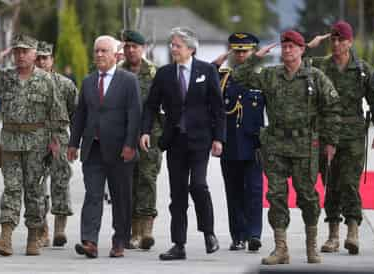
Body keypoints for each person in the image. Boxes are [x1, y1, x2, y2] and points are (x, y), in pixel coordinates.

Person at [232, 30, 341, 264]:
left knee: (308, 197)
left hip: (305, 145)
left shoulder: (315, 77)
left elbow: (332, 108)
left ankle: (312, 247)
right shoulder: (271, 75)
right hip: (276, 145)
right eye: (284, 46)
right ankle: (281, 249)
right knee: (276, 196)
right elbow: (239, 77)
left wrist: (330, 141)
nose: (287, 49)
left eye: (292, 46)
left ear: (302, 49)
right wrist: (256, 57)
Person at [140, 27, 225, 260]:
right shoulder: (164, 73)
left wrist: (219, 138)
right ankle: (178, 244)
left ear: (190, 48)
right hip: (175, 140)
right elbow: (151, 105)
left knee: (198, 185)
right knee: (177, 195)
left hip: (200, 140)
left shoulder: (207, 71)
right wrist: (145, 131)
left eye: (177, 45)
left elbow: (218, 108)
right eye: (172, 45)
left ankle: (208, 233)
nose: (172, 49)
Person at [307, 20, 374, 255]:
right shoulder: (321, 66)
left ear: (350, 42)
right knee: (330, 183)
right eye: (333, 39)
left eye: (341, 39)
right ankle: (333, 235)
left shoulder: (362, 69)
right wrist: (310, 46)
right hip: (326, 134)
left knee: (349, 183)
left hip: (352, 135)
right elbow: (294, 65)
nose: (336, 43)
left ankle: (352, 231)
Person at [0, 34, 64, 256]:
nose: (20, 55)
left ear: (34, 54)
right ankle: (5, 238)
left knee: (34, 192)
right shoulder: (4, 78)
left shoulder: (46, 80)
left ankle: (33, 238)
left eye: (25, 51)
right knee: (11, 190)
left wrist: (56, 141)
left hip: (36, 145)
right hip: (10, 143)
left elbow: (58, 113)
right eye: (16, 51)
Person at [68, 35, 141, 259]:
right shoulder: (88, 81)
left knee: (121, 196)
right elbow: (81, 114)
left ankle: (119, 240)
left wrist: (130, 144)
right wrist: (73, 143)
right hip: (93, 148)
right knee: (93, 194)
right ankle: (90, 241)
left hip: (120, 149)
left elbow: (135, 114)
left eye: (104, 51)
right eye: (96, 51)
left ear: (115, 55)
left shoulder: (128, 80)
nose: (99, 54)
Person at [212, 32, 264, 252]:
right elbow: (201, 81)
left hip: (254, 144)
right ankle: (238, 235)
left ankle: (254, 234)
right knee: (233, 192)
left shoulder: (262, 77)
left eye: (245, 51)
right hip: (230, 143)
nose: (241, 55)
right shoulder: (223, 76)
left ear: (253, 52)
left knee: (254, 190)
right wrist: (217, 63)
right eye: (237, 51)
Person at [120, 30, 162, 250]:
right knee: (129, 183)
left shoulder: (155, 73)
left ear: (142, 48)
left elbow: (164, 107)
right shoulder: (118, 73)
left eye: (134, 46)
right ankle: (133, 231)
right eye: (127, 46)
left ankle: (146, 231)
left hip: (150, 137)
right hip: (125, 137)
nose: (130, 50)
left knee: (147, 180)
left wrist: (162, 135)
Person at [35, 41, 78, 248]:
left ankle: (60, 229)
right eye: (39, 58)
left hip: (59, 136)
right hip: (34, 137)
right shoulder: (28, 83)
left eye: (45, 57)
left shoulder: (65, 84)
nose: (42, 61)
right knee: (36, 185)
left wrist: (74, 141)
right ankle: (42, 230)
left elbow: (75, 112)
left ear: (52, 60)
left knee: (61, 181)